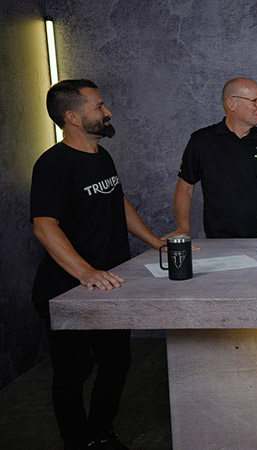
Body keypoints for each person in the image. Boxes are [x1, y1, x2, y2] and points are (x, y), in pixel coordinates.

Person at [31, 79, 165, 450]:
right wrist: (86, 272)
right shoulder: (52, 165)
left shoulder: (101, 156)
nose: (108, 112)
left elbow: (117, 201)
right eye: (99, 107)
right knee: (73, 372)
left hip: (110, 285)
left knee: (116, 363)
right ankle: (77, 443)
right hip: (67, 289)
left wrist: (154, 241)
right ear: (73, 118)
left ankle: (101, 434)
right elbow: (44, 226)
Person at [168, 77, 257, 243]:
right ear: (232, 104)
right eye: (255, 101)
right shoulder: (201, 141)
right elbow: (185, 188)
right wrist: (183, 228)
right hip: (219, 243)